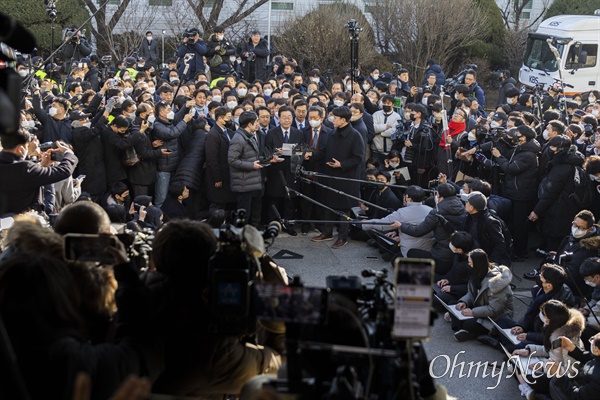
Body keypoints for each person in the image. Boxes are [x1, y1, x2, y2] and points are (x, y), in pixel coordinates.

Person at [147, 219, 286, 397]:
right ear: (212, 268)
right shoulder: (217, 354)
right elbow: (280, 364)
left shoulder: (130, 299)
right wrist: (273, 289)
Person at [310, 106, 364, 249]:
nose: (333, 119)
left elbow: (358, 158)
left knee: (343, 209)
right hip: (330, 176)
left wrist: (342, 164)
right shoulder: (333, 133)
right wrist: (311, 156)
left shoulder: (355, 135)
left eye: (336, 117)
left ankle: (342, 237)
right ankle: (327, 233)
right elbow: (324, 150)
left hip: (345, 178)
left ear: (344, 119)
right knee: (328, 206)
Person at [513, 300, 585, 399]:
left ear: (550, 319)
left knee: (528, 375)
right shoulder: (554, 328)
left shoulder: (568, 339)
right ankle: (527, 388)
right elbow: (549, 349)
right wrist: (529, 351)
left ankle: (527, 387)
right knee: (515, 360)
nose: (541, 315)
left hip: (558, 375)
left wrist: (543, 368)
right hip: (548, 363)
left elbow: (570, 371)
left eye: (544, 313)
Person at [0, 131, 78, 216]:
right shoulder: (26, 168)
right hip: (25, 222)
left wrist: (42, 166)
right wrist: (69, 153)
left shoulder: (26, 169)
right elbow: (63, 171)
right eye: (27, 147)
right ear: (20, 149)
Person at [528, 136, 585, 251]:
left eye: (553, 146)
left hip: (558, 209)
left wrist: (536, 211)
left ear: (560, 150)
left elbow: (550, 193)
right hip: (568, 206)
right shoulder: (572, 161)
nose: (550, 148)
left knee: (554, 243)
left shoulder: (561, 168)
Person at [492, 125, 540, 260]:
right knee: (513, 223)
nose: (514, 135)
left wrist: (499, 157)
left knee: (519, 225)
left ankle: (520, 251)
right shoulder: (521, 149)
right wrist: (499, 141)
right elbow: (508, 155)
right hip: (514, 191)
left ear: (524, 137)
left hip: (521, 194)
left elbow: (511, 168)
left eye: (517, 133)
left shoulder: (528, 154)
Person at [399, 183, 466, 276]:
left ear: (441, 197)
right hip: (457, 257)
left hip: (442, 259)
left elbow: (418, 231)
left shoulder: (437, 212)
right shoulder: (463, 207)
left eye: (437, 195)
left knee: (411, 253)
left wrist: (401, 226)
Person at [452, 249, 514, 342]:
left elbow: (494, 309)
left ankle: (470, 331)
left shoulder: (497, 283)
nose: (469, 265)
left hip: (496, 317)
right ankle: (469, 331)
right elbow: (471, 293)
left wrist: (473, 312)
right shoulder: (477, 274)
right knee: (453, 304)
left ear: (477, 264)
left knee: (468, 323)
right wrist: (464, 302)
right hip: (481, 308)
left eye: (470, 263)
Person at [360, 185, 433, 258]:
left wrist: (363, 224)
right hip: (428, 249)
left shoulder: (402, 212)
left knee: (393, 259)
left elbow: (382, 224)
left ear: (407, 197)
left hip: (409, 249)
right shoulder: (431, 210)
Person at [228, 111, 273, 225]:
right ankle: (237, 238)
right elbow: (232, 160)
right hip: (244, 184)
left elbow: (253, 157)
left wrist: (269, 159)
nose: (258, 123)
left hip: (252, 182)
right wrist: (251, 165)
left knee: (252, 213)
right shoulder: (238, 139)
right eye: (256, 121)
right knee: (243, 215)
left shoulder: (249, 136)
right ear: (249, 124)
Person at [463, 191, 511, 267]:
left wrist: (492, 262)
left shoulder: (490, 222)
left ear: (472, 208)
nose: (465, 203)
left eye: (466, 202)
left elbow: (500, 243)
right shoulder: (469, 217)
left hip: (486, 259)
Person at [549, 333, 600, 400]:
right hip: (581, 382)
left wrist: (559, 374)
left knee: (554, 383)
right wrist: (572, 348)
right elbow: (590, 358)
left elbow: (577, 396)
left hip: (579, 392)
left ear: (597, 351)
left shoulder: (597, 379)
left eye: (592, 342)